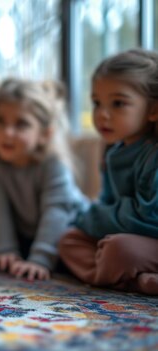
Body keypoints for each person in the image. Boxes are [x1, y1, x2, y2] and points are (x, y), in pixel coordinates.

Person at [58, 49, 158, 295]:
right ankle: (136, 281)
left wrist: (92, 217)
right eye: (96, 103)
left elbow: (148, 218)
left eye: (118, 103)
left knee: (118, 249)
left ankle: (124, 277)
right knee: (69, 240)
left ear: (153, 109)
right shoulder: (114, 151)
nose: (102, 114)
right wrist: (92, 219)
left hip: (147, 236)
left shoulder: (153, 154)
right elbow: (108, 201)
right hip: (130, 237)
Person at [0, 78, 88, 281]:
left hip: (71, 227)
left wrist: (40, 259)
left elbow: (57, 212)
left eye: (21, 124)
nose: (7, 133)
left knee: (75, 249)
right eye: (0, 121)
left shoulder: (53, 163)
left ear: (45, 134)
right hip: (31, 236)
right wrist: (5, 251)